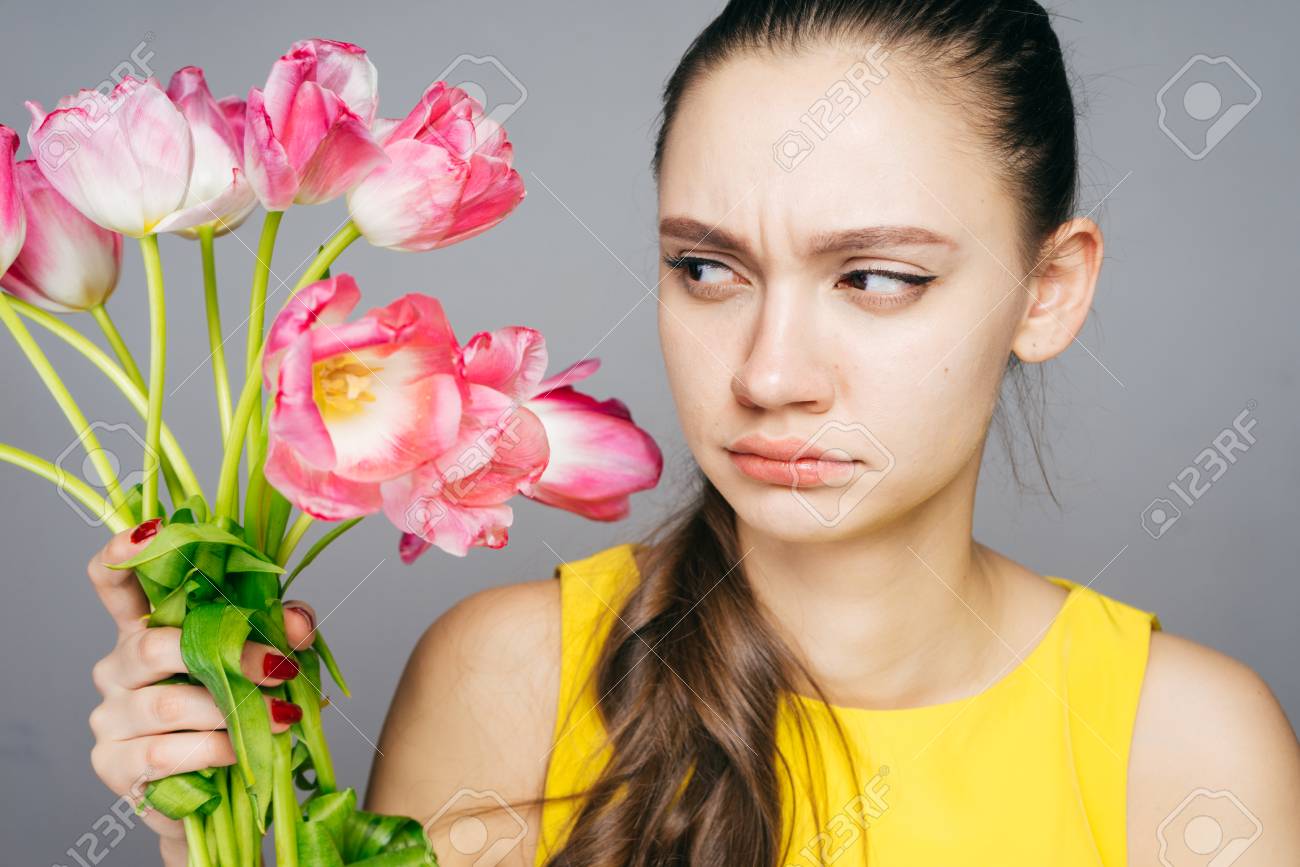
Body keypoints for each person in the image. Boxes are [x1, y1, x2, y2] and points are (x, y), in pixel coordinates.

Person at [84, 1, 1300, 865]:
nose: (768, 374)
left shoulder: (1187, 747)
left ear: (1048, 291)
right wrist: (216, 821)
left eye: (876, 278)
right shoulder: (506, 681)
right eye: (708, 269)